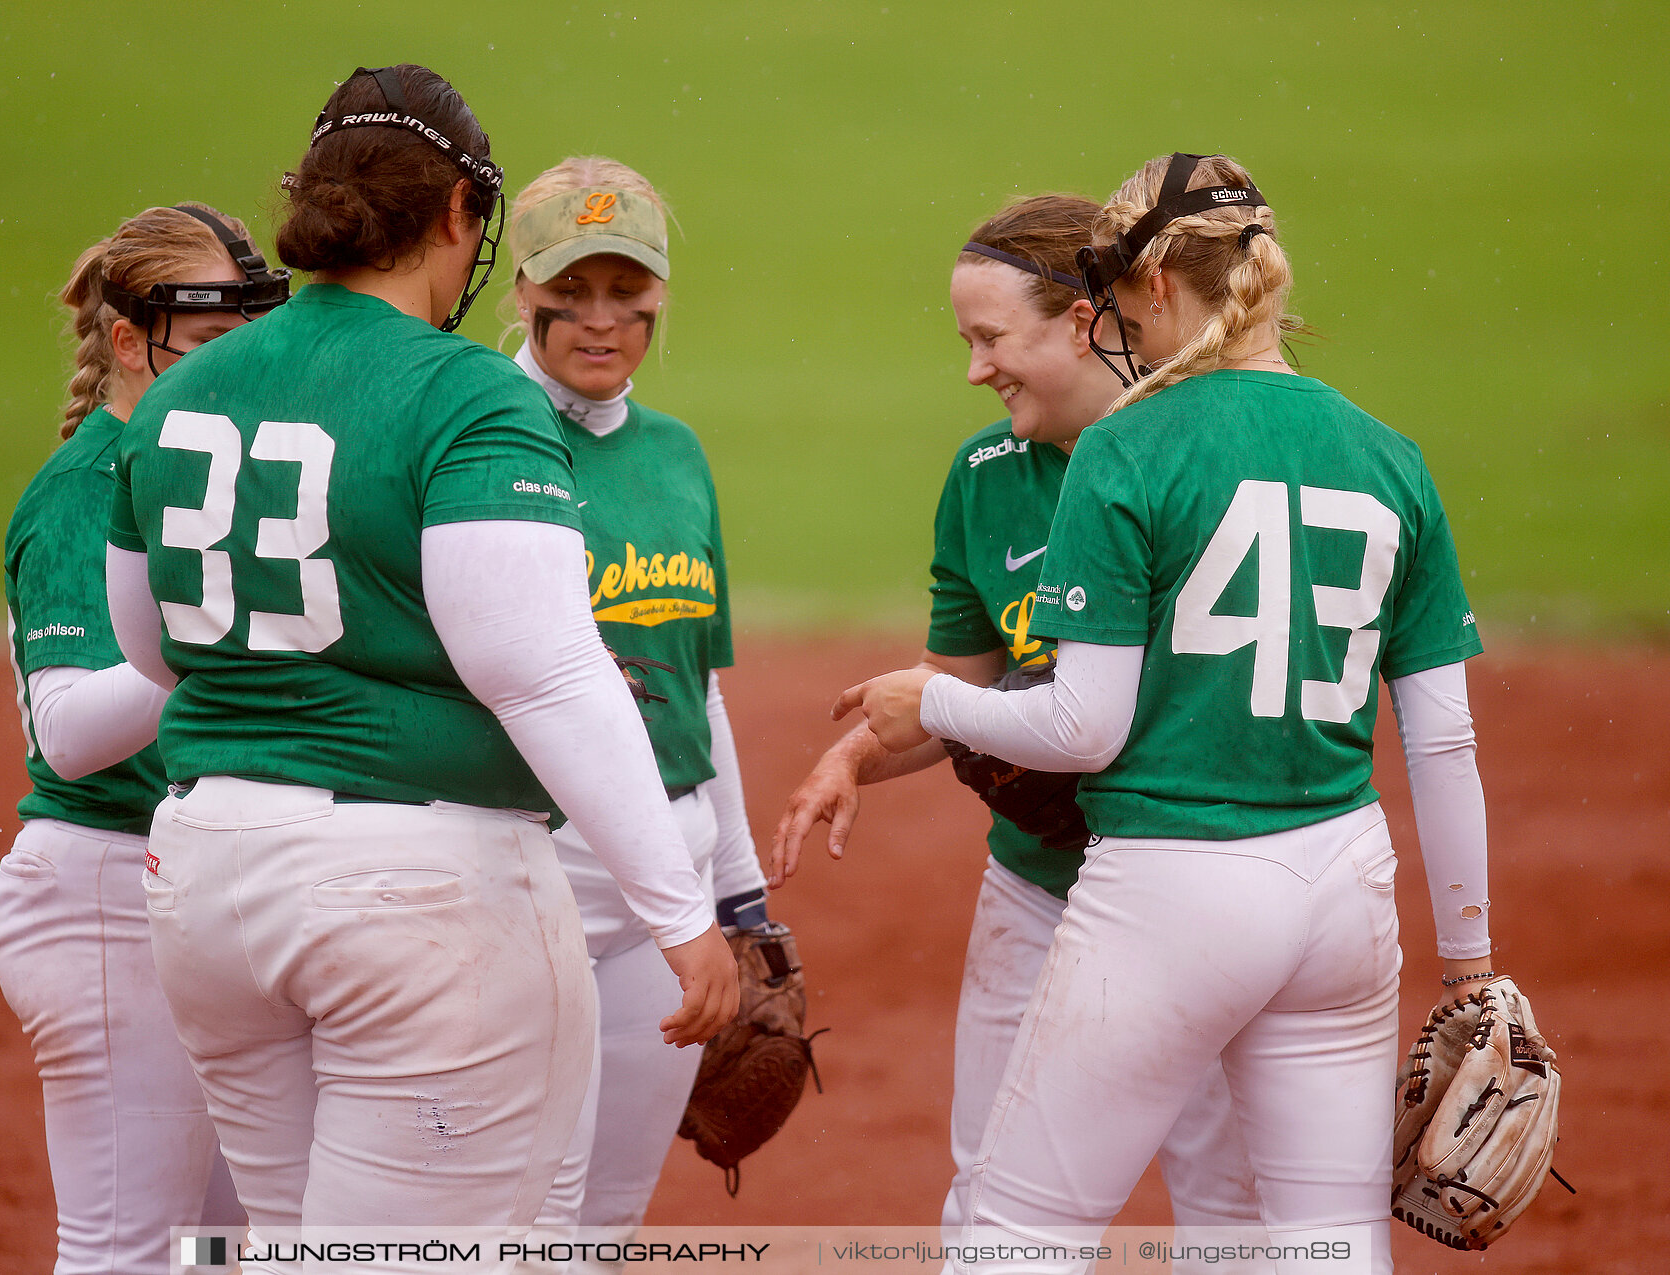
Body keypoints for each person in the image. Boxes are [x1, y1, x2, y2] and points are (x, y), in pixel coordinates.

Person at [101, 65, 737, 1257]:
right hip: (416, 898)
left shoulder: (186, 389)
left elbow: (156, 648)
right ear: (457, 215)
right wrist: (680, 909)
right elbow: (544, 674)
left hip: (208, 884)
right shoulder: (470, 395)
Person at [838, 153, 1493, 1275]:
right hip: (1344, 889)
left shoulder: (1126, 448)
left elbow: (1084, 727)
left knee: (1015, 1239)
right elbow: (1443, 741)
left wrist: (932, 701)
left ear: (1148, 288)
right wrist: (1476, 973)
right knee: (1321, 1251)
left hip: (1173, 888)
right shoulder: (1392, 458)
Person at [773, 195, 1267, 1265]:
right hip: (1037, 887)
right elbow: (957, 692)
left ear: (1088, 318)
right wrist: (857, 752)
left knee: (1238, 1213)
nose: (974, 370)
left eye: (991, 339)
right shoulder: (986, 477)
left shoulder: (1210, 456)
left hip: (1201, 893)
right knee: (994, 1202)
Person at [0, 200, 283, 1274]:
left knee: (221, 1253)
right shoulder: (83, 489)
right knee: (127, 1254)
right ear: (129, 342)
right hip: (104, 896)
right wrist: (225, 638)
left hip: (194, 893)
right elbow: (66, 733)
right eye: (211, 347)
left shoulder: (203, 475)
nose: (237, 371)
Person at [499, 156, 771, 1243]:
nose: (604, 322)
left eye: (632, 295)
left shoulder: (676, 456)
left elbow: (696, 683)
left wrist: (740, 892)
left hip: (673, 868)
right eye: (576, 292)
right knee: (529, 1215)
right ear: (523, 289)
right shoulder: (479, 435)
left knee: (605, 1224)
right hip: (541, 860)